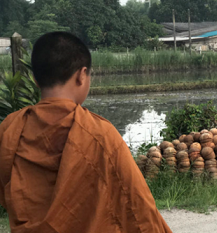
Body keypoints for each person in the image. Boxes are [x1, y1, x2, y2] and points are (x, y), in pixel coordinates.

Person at [0, 32, 172, 233]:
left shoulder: (10, 129)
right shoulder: (99, 134)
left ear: (36, 80)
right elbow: (137, 206)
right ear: (82, 75)